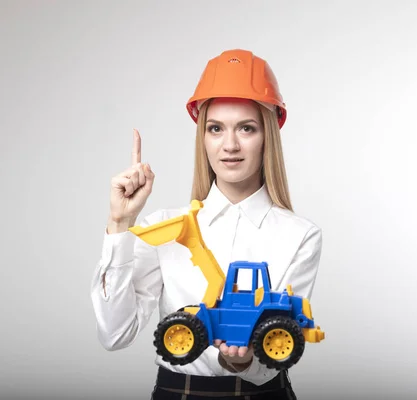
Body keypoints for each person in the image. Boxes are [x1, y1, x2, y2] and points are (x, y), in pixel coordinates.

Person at [90, 49, 323, 400]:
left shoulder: (300, 235)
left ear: (268, 137)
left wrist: (243, 363)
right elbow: (115, 334)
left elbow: (270, 362)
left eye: (246, 128)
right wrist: (120, 224)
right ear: (203, 137)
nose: (229, 145)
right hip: (178, 391)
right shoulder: (167, 227)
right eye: (216, 129)